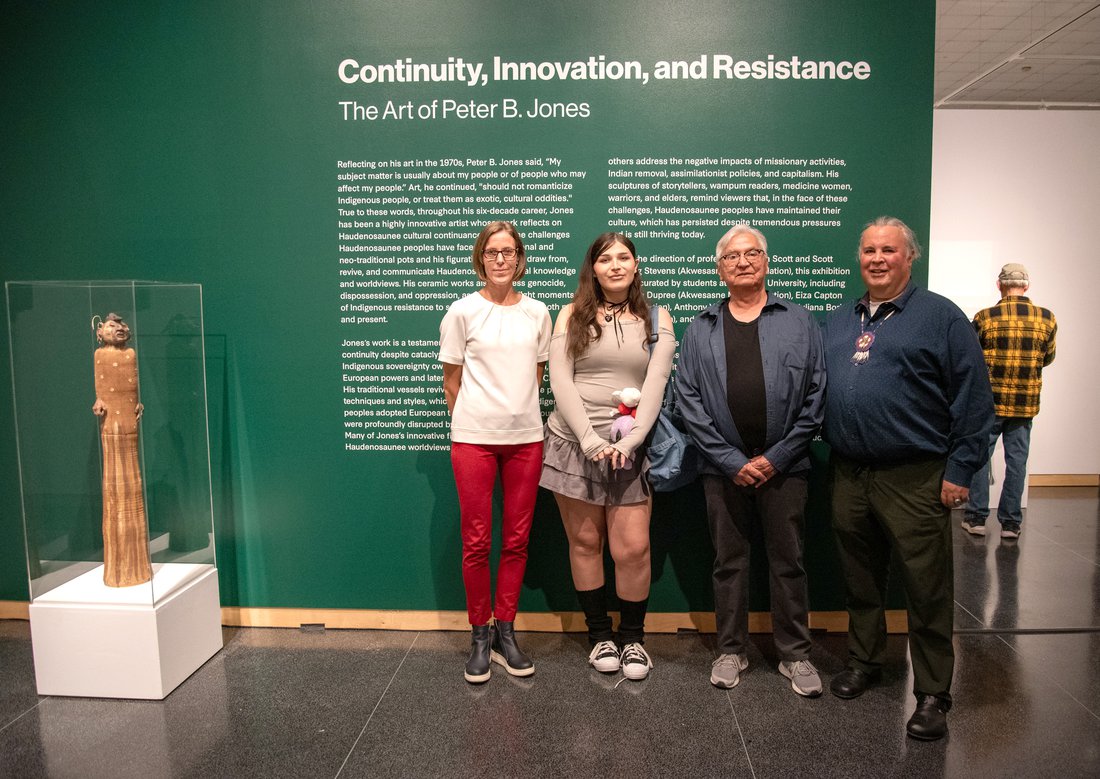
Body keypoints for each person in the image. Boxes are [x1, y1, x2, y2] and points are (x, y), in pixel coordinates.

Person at [822, 216, 994, 740]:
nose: (877, 259)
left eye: (888, 250)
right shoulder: (842, 318)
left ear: (909, 256)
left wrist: (961, 469)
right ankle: (864, 661)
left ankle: (933, 692)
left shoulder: (941, 317)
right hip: (850, 473)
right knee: (860, 579)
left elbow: (974, 401)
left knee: (927, 587)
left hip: (916, 476)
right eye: (869, 250)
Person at [676, 225, 826, 696]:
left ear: (766, 261)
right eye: (732, 256)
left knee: (789, 562)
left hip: (787, 468)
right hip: (723, 471)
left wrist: (776, 457)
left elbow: (816, 394)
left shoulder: (799, 321)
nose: (742, 262)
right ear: (719, 269)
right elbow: (687, 400)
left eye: (752, 253)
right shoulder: (700, 328)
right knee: (729, 562)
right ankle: (730, 649)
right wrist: (730, 460)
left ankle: (795, 654)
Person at [541, 232, 675, 680]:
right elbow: (560, 380)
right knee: (584, 544)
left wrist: (629, 442)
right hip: (573, 444)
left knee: (632, 549)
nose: (615, 265)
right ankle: (600, 635)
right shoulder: (570, 314)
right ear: (593, 269)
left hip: (629, 449)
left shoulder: (657, 317)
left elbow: (656, 384)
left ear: (636, 266)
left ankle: (633, 639)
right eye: (605, 259)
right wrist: (589, 439)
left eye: (623, 257)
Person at [439, 221, 552, 684]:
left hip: (526, 439)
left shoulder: (538, 312)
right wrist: (477, 420)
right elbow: (452, 381)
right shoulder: (462, 311)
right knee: (476, 541)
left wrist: (513, 414)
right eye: (492, 252)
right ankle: (479, 636)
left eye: (508, 251)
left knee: (517, 539)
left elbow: (538, 374)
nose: (500, 259)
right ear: (480, 258)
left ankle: (506, 631)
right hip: (473, 440)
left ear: (520, 258)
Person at [962, 263, 1057, 539]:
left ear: (999, 285)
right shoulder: (1047, 318)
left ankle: (976, 517)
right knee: (1017, 462)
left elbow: (972, 358)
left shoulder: (985, 317)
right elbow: (1048, 357)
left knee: (980, 458)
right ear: (1026, 286)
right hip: (1025, 403)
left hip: (990, 402)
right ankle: (1011, 523)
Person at [92, 312, 153, 588]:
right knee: (115, 480)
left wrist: (137, 402)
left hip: (129, 419)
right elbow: (100, 386)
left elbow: (133, 384)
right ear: (100, 332)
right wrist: (99, 401)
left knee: (132, 476)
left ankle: (137, 567)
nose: (117, 329)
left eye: (120, 326)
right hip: (111, 423)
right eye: (111, 326)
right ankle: (119, 570)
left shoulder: (130, 355)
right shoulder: (100, 355)